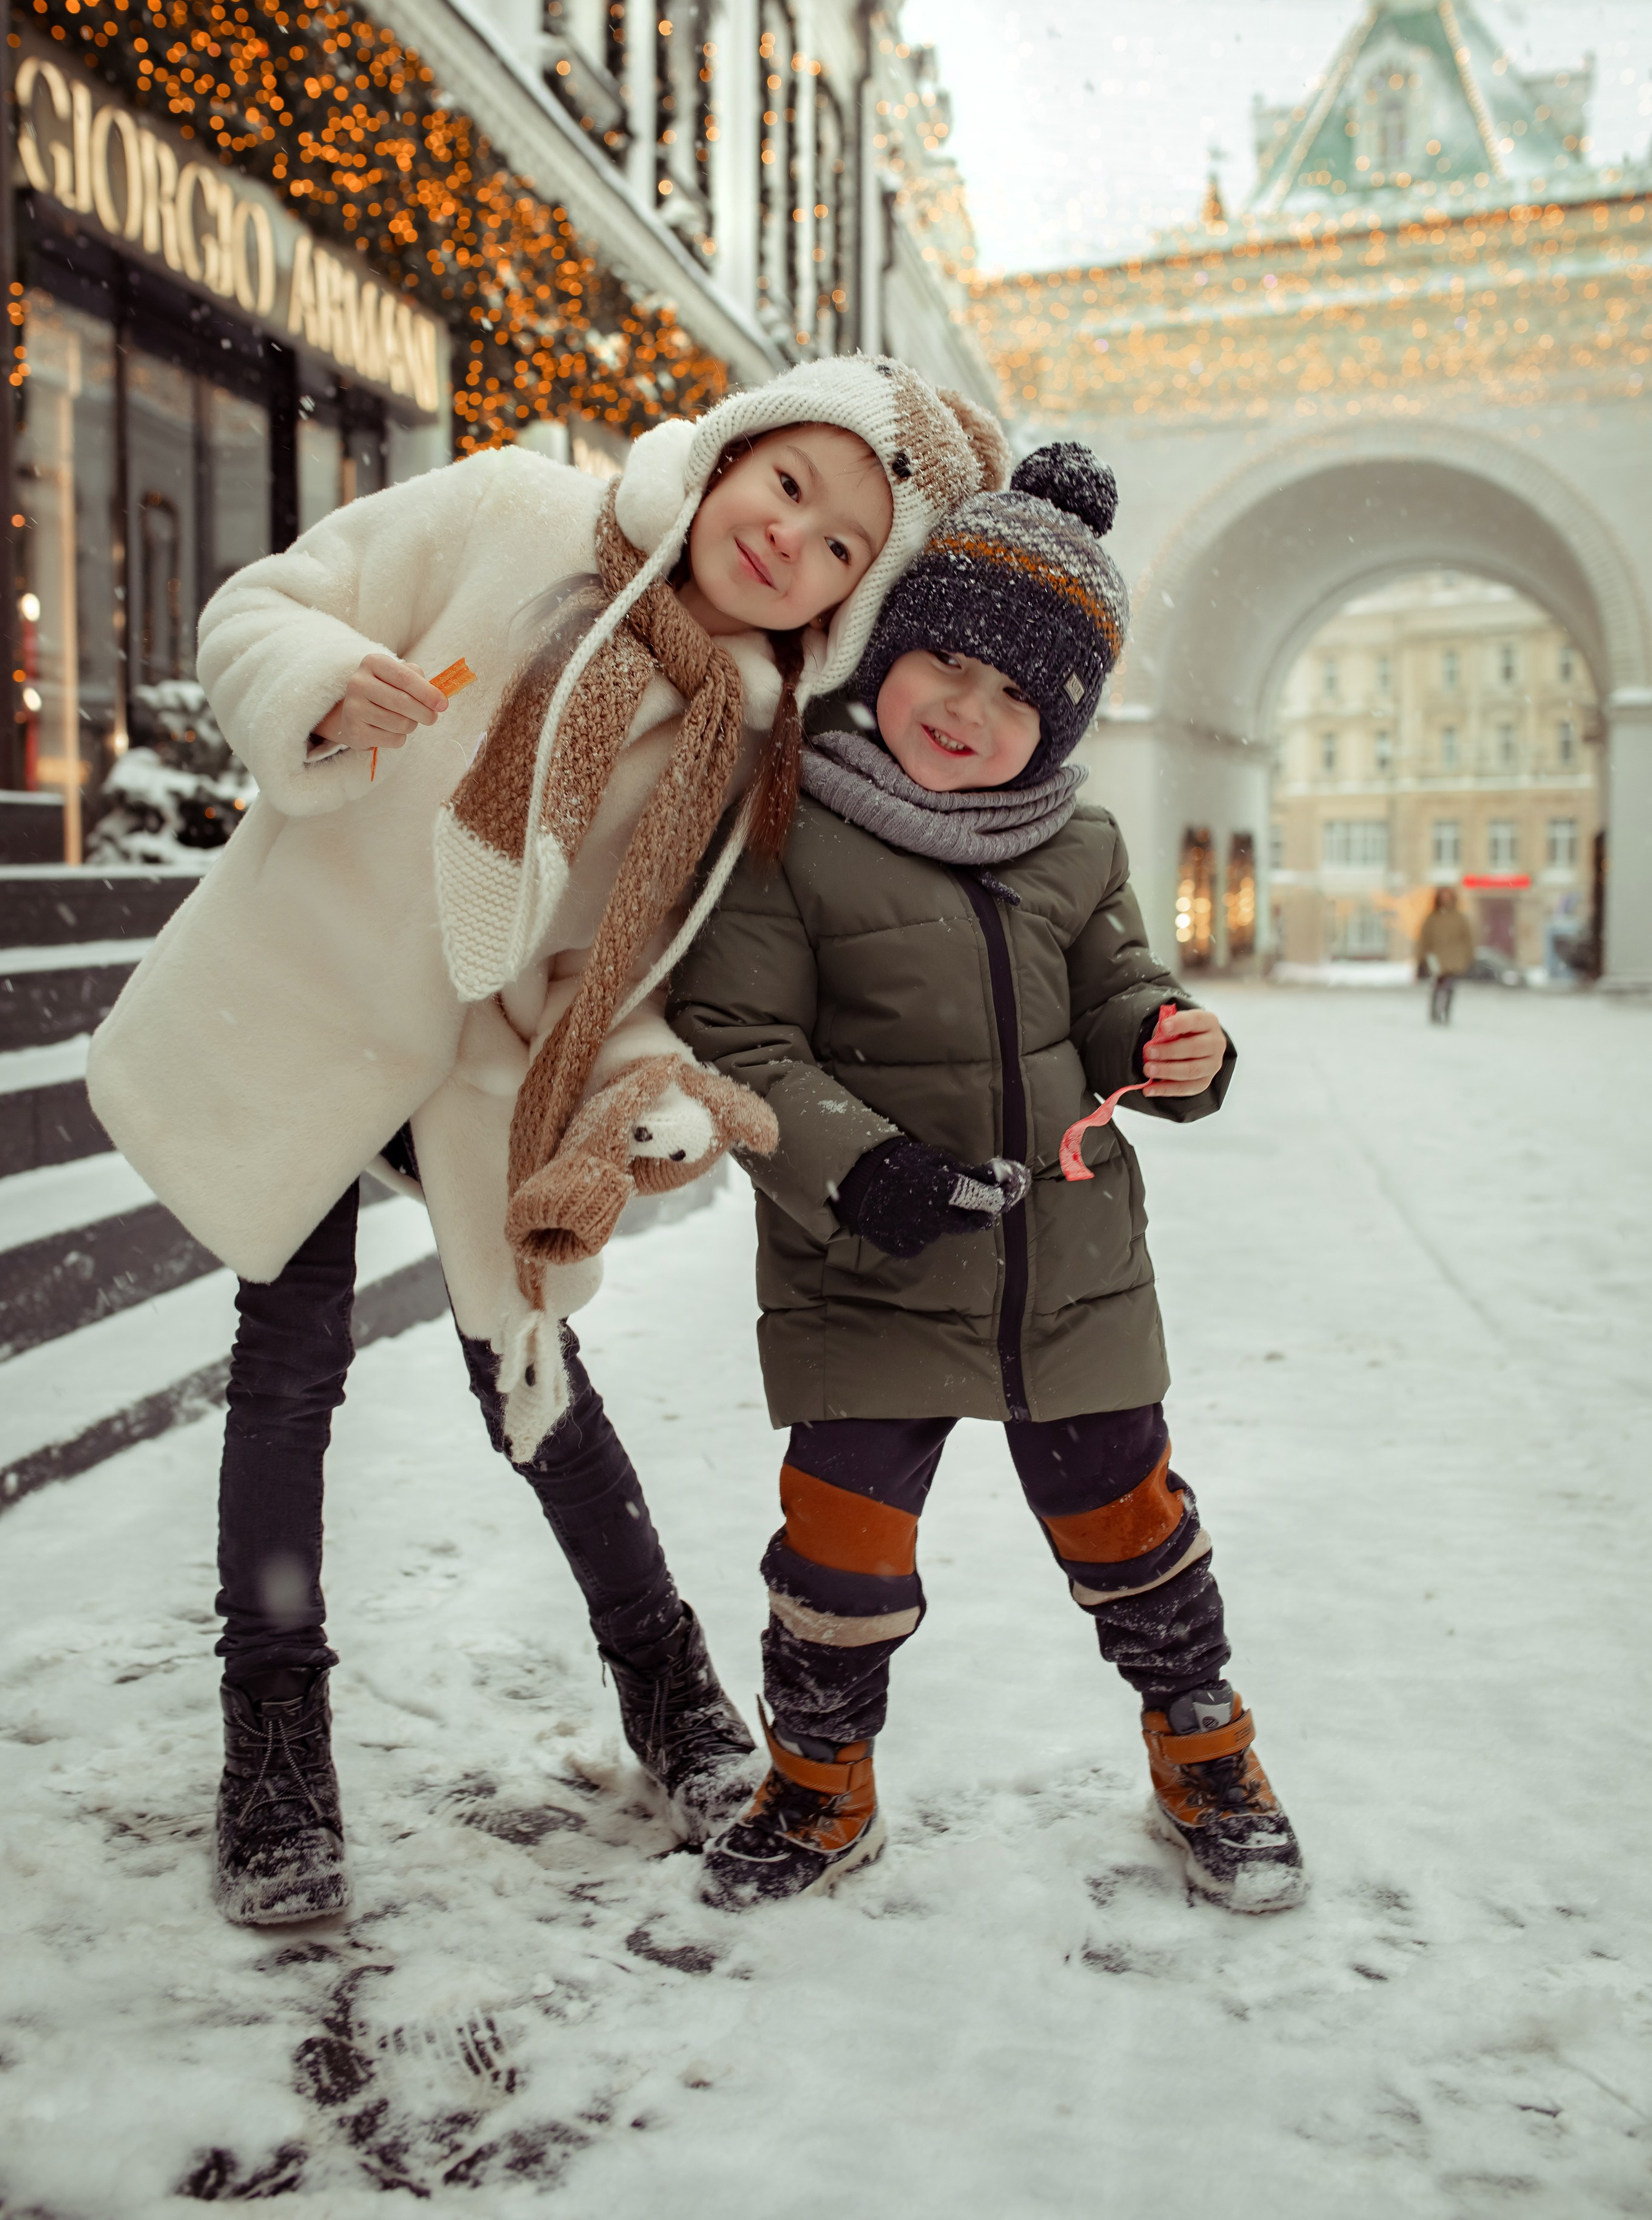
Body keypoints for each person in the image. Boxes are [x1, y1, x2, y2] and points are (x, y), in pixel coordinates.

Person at [87, 354, 1007, 1925]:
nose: (792, 538)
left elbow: (615, 968)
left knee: (537, 1381)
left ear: (847, 603)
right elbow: (265, 601)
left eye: (844, 544)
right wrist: (311, 674)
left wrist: (636, 1090)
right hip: (309, 1001)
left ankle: (669, 1685)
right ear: (728, 454)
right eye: (789, 484)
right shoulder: (516, 508)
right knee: (288, 1357)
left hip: (484, 1069)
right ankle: (275, 1740)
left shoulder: (741, 740)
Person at [670, 443, 1307, 1918]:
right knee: (834, 1560)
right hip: (867, 1256)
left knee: (1134, 1532)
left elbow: (1115, 992)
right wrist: (855, 1161)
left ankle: (1203, 1751)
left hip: (1062, 1261)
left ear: (1062, 718)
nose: (967, 708)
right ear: (886, 648)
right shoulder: (791, 823)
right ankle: (817, 1786)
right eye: (943, 659)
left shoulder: (1075, 840)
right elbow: (735, 1031)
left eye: (1018, 692)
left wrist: (1168, 1044)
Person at [1418, 885, 1475, 1024]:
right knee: (1438, 985)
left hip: (1455, 959)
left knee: (1450, 987)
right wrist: (1422, 957)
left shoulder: (1460, 918)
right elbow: (1425, 939)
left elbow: (1467, 939)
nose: (1446, 899)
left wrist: (1468, 957)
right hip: (1436, 958)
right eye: (1443, 896)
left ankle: (1446, 1014)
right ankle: (1435, 1014)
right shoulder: (1432, 918)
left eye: (1448, 896)